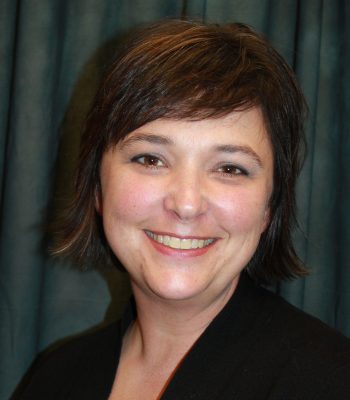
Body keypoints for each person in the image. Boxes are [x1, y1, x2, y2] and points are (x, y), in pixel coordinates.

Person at [13, 20, 350, 399]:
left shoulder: (330, 381)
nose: (186, 204)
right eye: (151, 159)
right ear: (97, 187)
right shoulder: (53, 379)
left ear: (270, 208)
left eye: (229, 168)